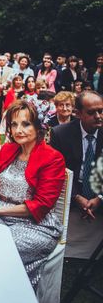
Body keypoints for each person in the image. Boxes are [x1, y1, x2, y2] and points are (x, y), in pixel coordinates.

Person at [0, 100, 65, 290]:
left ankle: (5, 297)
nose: (18, 130)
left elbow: (40, 205)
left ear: (39, 126)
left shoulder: (53, 158)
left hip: (36, 225)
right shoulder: (8, 149)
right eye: (14, 124)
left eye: (25, 124)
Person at [50, 91, 103, 220]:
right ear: (78, 113)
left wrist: (100, 198)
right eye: (91, 112)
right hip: (72, 191)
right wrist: (76, 197)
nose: (98, 116)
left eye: (101, 111)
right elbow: (57, 170)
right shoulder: (61, 134)